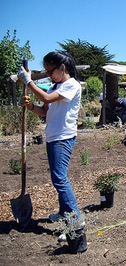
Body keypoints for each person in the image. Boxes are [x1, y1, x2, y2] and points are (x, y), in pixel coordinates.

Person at [18, 51, 86, 244]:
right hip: (53, 137)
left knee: (59, 178)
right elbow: (45, 111)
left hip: (64, 137)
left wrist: (28, 82)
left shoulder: (71, 85)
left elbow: (47, 100)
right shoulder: (55, 86)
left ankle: (75, 222)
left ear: (62, 67)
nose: (48, 75)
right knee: (58, 177)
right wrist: (30, 106)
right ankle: (64, 213)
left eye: (50, 70)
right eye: (46, 71)